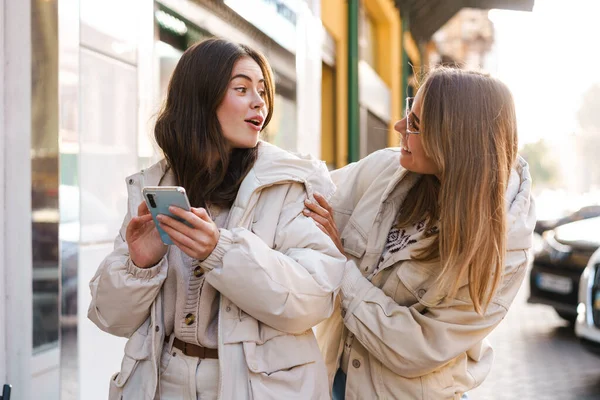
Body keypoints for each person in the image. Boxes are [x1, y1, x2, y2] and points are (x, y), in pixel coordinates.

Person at [88, 38, 346, 400]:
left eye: (262, 91)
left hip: (258, 388)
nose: (259, 102)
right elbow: (109, 317)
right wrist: (140, 265)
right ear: (200, 98)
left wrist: (220, 251)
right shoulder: (155, 186)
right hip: (160, 383)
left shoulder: (291, 182)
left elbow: (314, 299)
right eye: (241, 89)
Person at [303, 67, 536, 399]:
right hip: (337, 381)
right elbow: (304, 193)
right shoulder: (387, 170)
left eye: (415, 125)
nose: (399, 127)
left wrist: (340, 268)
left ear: (453, 143)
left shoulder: (504, 249)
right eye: (407, 113)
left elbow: (416, 349)